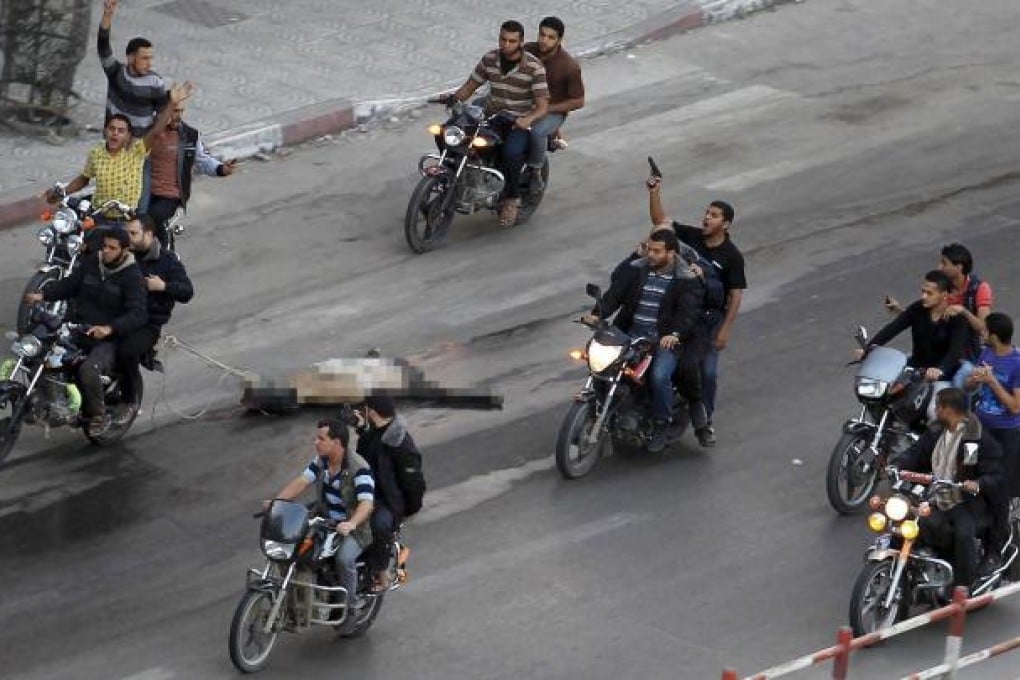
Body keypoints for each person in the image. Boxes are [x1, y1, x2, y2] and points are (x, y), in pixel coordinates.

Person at [583, 230, 708, 452]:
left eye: (657, 251)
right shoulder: (638, 270)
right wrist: (597, 314)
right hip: (629, 335)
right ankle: (600, 408)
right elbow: (615, 294)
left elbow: (688, 313)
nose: (650, 254)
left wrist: (675, 334)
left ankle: (661, 424)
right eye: (649, 249)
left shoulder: (686, 280)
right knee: (598, 363)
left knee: (659, 376)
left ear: (671, 253)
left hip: (662, 341)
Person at [648, 177, 746, 445]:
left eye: (713, 215)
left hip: (708, 321)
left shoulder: (731, 256)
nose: (706, 218)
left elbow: (735, 296)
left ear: (725, 224)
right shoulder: (691, 237)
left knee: (709, 373)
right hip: (680, 313)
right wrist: (655, 192)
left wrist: (724, 330)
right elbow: (661, 223)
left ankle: (706, 422)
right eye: (706, 212)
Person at [23, 228, 148, 436]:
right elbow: (69, 285)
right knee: (40, 352)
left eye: (112, 248)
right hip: (79, 327)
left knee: (88, 369)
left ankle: (98, 415)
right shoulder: (92, 263)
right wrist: (42, 295)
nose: (106, 251)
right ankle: (47, 401)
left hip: (108, 339)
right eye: (104, 246)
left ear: (124, 251)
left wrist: (109, 328)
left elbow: (137, 313)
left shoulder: (132, 277)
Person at [44, 82, 194, 247]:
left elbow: (157, 131)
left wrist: (172, 104)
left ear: (129, 136)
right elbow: (84, 178)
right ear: (105, 132)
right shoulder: (96, 153)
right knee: (73, 245)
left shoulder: (137, 151)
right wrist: (63, 192)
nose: (115, 133)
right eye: (112, 129)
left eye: (121, 131)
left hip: (126, 219)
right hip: (99, 216)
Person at [271, 419, 375, 634]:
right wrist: (276, 502)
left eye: (321, 438)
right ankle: (295, 604)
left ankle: (351, 610)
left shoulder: (359, 468)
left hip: (354, 528)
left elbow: (367, 504)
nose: (315, 442)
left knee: (344, 559)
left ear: (337, 442)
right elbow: (301, 481)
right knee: (293, 547)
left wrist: (351, 523)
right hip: (325, 521)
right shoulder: (321, 462)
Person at [896, 387, 1005, 589]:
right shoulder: (937, 431)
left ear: (951, 410)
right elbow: (916, 452)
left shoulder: (975, 438)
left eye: (939, 406)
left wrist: (977, 483)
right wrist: (898, 464)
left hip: (965, 502)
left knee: (963, 534)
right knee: (907, 521)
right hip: (937, 496)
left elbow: (995, 474)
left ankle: (965, 586)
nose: (935, 410)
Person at [450, 20, 549, 226]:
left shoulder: (534, 67)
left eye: (512, 41)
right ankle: (453, 174)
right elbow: (471, 85)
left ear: (521, 42)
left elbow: (542, 106)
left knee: (511, 153)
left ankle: (512, 199)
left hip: (518, 120)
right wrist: (455, 98)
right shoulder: (490, 59)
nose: (506, 44)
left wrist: (527, 120)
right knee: (453, 131)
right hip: (492, 115)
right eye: (503, 39)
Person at [116, 215, 194, 423]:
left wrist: (163, 287)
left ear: (149, 234)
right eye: (126, 233)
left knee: (126, 351)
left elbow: (187, 292)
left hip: (147, 323)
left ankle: (130, 401)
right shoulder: (121, 255)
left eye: (133, 233)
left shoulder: (167, 261)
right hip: (118, 316)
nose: (128, 238)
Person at [887, 243, 994, 389]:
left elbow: (983, 328)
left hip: (965, 356)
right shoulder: (942, 288)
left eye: (944, 263)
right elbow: (926, 317)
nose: (939, 267)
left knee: (956, 389)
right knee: (897, 374)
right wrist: (900, 311)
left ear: (959, 267)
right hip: (939, 352)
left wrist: (963, 311)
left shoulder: (979, 289)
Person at [145, 97, 237, 248]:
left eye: (181, 110)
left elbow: (202, 160)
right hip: (144, 192)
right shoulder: (148, 133)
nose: (179, 115)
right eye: (174, 111)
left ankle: (166, 255)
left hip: (170, 195)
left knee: (150, 220)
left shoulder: (189, 135)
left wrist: (221, 169)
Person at [865, 271, 970, 403]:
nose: (924, 296)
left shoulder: (957, 319)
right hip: (915, 370)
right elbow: (893, 328)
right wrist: (869, 347)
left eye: (929, 293)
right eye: (923, 291)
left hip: (942, 377)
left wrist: (940, 369)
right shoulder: (917, 309)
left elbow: (955, 351)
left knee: (934, 410)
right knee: (884, 394)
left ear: (944, 295)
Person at [966, 312, 1020, 564]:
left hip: (1005, 435)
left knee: (999, 491)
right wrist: (973, 380)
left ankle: (995, 550)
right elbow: (969, 387)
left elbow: (1015, 407)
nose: (981, 333)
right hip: (979, 432)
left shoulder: (1017, 363)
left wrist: (992, 381)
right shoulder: (986, 354)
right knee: (967, 477)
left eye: (985, 331)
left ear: (995, 336)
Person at [354, 395, 424, 591]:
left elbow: (414, 482)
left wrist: (406, 510)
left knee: (380, 525)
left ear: (373, 412)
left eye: (365, 409)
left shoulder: (401, 444)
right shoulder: (374, 432)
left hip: (387, 501)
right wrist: (362, 430)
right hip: (365, 492)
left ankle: (381, 572)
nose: (363, 412)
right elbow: (362, 459)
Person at [522, 16, 585, 194]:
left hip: (553, 111)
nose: (544, 40)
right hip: (524, 103)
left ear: (559, 40)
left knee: (537, 132)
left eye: (551, 37)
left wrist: (546, 109)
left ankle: (535, 172)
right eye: (542, 35)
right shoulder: (527, 51)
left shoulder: (569, 66)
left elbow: (578, 101)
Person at [97, 0, 168, 137]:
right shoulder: (116, 73)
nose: (149, 63)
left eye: (150, 58)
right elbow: (103, 47)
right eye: (144, 58)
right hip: (113, 146)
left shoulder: (155, 82)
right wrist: (107, 15)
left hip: (137, 150)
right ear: (130, 58)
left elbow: (161, 116)